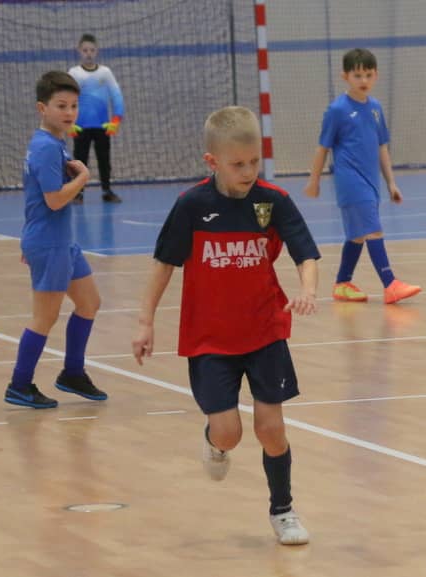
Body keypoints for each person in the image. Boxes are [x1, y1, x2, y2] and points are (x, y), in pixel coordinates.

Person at [131, 106, 319, 545]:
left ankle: (283, 510)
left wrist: (308, 290)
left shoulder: (273, 201)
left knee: (271, 429)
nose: (249, 172)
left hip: (265, 331)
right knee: (229, 433)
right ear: (212, 161)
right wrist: (145, 322)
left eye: (255, 162)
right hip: (209, 338)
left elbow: (305, 254)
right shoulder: (192, 206)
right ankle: (214, 441)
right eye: (238, 164)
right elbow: (163, 265)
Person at [4, 70, 107, 409]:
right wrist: (84, 178)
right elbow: (53, 200)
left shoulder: (54, 143)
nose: (69, 112)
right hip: (50, 243)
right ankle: (19, 385)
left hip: (61, 241)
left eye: (74, 106)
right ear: (42, 108)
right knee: (45, 317)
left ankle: (72, 374)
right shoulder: (47, 147)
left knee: (89, 303)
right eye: (61, 105)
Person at [304, 47, 421, 305]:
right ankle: (390, 284)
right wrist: (314, 181)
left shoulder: (376, 108)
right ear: (345, 76)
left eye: (368, 75)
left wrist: (391, 183)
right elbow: (323, 147)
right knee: (373, 230)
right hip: (350, 182)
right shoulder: (337, 110)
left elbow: (382, 147)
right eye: (357, 75)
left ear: (376, 75)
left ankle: (342, 284)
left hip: (371, 182)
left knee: (357, 235)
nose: (363, 80)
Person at [68, 33, 124, 203]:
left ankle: (107, 191)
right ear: (79, 51)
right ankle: (78, 193)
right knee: (79, 162)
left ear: (97, 51)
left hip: (102, 126)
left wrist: (116, 120)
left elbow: (116, 95)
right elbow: (67, 98)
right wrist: (69, 123)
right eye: (85, 50)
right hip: (80, 127)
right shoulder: (74, 73)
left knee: (104, 160)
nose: (89, 54)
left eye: (92, 50)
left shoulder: (105, 72)